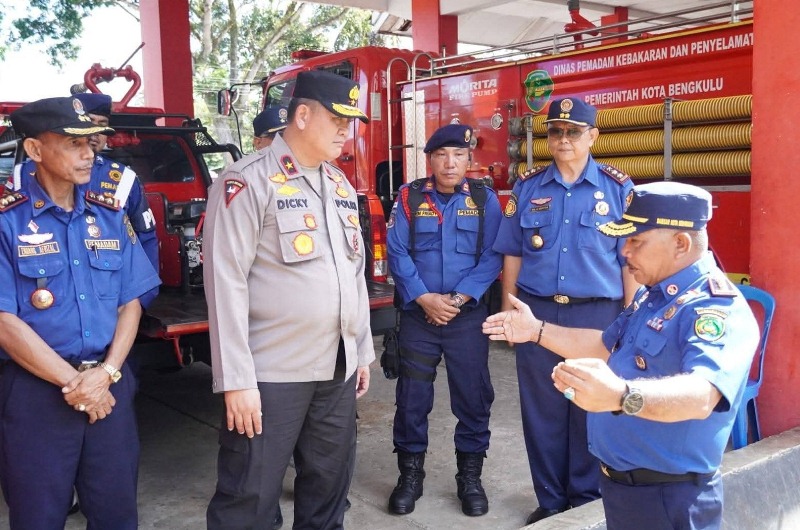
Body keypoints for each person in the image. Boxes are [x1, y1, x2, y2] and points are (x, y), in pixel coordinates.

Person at [483, 181, 759, 530]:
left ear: (681, 243)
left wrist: (622, 396)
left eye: (636, 241)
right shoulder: (654, 294)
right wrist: (536, 330)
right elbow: (605, 347)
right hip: (623, 491)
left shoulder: (713, 309)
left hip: (669, 499)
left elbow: (703, 394)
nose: (624, 251)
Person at [203, 70, 375, 530]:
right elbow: (225, 282)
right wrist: (236, 381)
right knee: (249, 498)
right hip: (271, 374)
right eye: (337, 119)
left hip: (336, 369)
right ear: (301, 116)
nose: (345, 130)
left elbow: (353, 274)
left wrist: (360, 350)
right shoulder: (247, 181)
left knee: (328, 491)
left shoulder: (339, 184)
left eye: (349, 122)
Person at [0, 96, 161, 529]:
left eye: (90, 142)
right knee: (37, 517)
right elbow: (4, 322)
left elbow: (131, 301)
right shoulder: (6, 221)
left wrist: (105, 374)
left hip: (109, 386)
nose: (89, 152)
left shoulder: (109, 215)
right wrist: (77, 385)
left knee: (117, 514)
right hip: (37, 393)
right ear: (35, 150)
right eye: (73, 143)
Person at [492, 97, 638, 524]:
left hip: (598, 317)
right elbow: (513, 254)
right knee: (543, 413)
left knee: (591, 409)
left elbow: (630, 261)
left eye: (573, 131)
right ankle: (551, 502)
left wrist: (630, 320)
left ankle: (586, 502)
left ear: (593, 136)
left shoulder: (618, 189)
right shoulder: (528, 187)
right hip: (536, 314)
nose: (563, 139)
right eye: (556, 131)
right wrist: (510, 313)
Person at [386, 123, 503, 517]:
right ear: (430, 159)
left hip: (465, 318)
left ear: (469, 159)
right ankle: (409, 477)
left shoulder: (485, 200)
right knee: (412, 399)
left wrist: (454, 299)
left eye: (458, 155)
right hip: (419, 317)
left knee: (473, 397)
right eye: (441, 155)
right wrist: (424, 298)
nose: (449, 163)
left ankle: (470, 478)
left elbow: (493, 256)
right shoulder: (410, 196)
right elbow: (397, 251)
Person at [12, 92, 159, 308]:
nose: (94, 134)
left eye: (102, 125)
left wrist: (139, 303)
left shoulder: (123, 179)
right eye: (75, 141)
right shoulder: (21, 175)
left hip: (114, 305)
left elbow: (146, 240)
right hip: (44, 305)